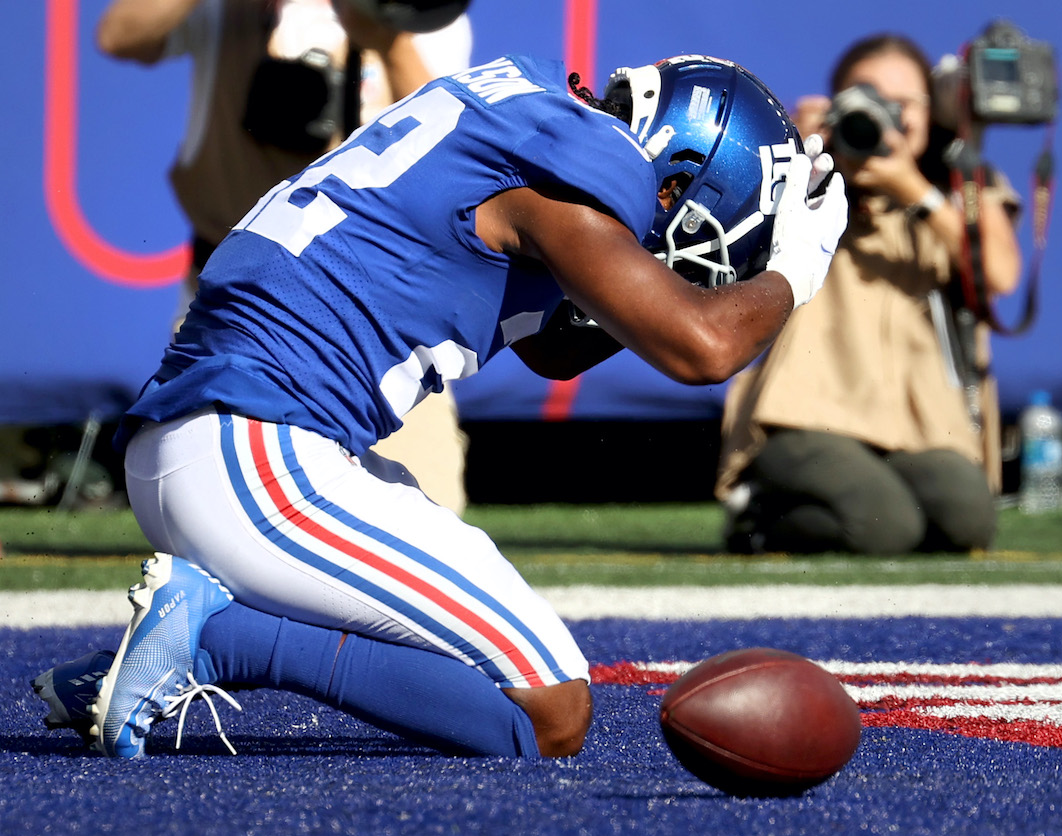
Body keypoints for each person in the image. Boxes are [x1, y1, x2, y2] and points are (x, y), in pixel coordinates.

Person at [31, 55, 848, 759]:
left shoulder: (521, 112)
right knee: (551, 710)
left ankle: (136, 662)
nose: (723, 258)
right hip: (261, 457)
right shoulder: (574, 184)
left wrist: (665, 295)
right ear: (681, 177)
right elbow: (701, 346)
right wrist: (794, 270)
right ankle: (213, 638)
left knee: (498, 669)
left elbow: (550, 344)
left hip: (212, 444)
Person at [95, 0, 471, 513]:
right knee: (227, 518)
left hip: (379, 314)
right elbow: (120, 35)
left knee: (429, 520)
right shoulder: (229, 12)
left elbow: (452, 150)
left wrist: (387, 37)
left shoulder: (410, 9)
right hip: (236, 303)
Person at [716, 33, 1022, 556]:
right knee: (886, 528)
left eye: (904, 104)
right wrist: (797, 146)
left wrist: (913, 188)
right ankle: (760, 517)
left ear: (931, 111)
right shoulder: (806, 175)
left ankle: (837, 507)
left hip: (919, 420)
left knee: (968, 518)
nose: (887, 118)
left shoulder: (959, 181)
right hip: (805, 415)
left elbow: (1000, 276)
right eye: (869, 99)